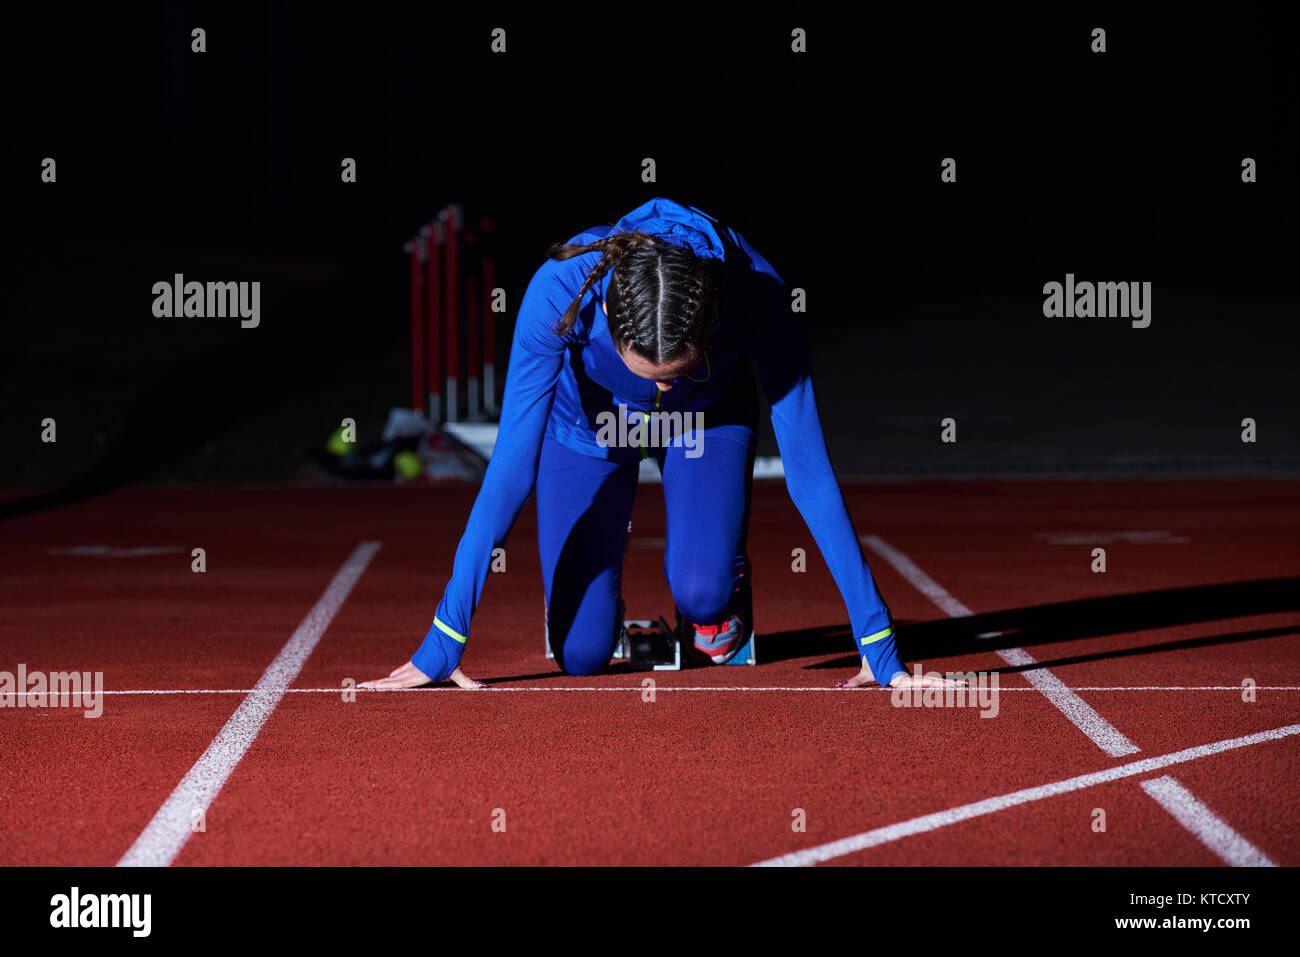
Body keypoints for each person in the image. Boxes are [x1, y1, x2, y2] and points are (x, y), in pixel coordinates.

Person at [362, 198, 954, 692]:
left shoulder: (760, 297)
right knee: (581, 654)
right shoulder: (561, 291)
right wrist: (446, 637)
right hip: (587, 429)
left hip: (705, 423)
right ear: (610, 324)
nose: (660, 387)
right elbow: (509, 473)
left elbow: (810, 472)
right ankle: (587, 605)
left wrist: (881, 648)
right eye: (645, 372)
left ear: (712, 324)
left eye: (676, 372)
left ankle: (723, 587)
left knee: (703, 593)